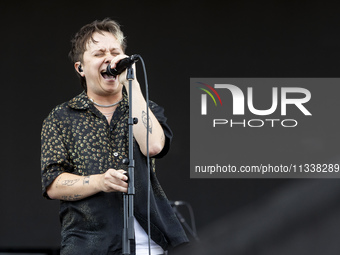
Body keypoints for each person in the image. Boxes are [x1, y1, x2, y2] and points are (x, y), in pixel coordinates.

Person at [41, 18, 188, 255]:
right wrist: (100, 182)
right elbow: (53, 184)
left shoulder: (145, 106)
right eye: (99, 53)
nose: (110, 59)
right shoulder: (61, 117)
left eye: (115, 52)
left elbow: (153, 146)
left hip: (152, 243)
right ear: (80, 67)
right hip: (89, 244)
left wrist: (132, 83)